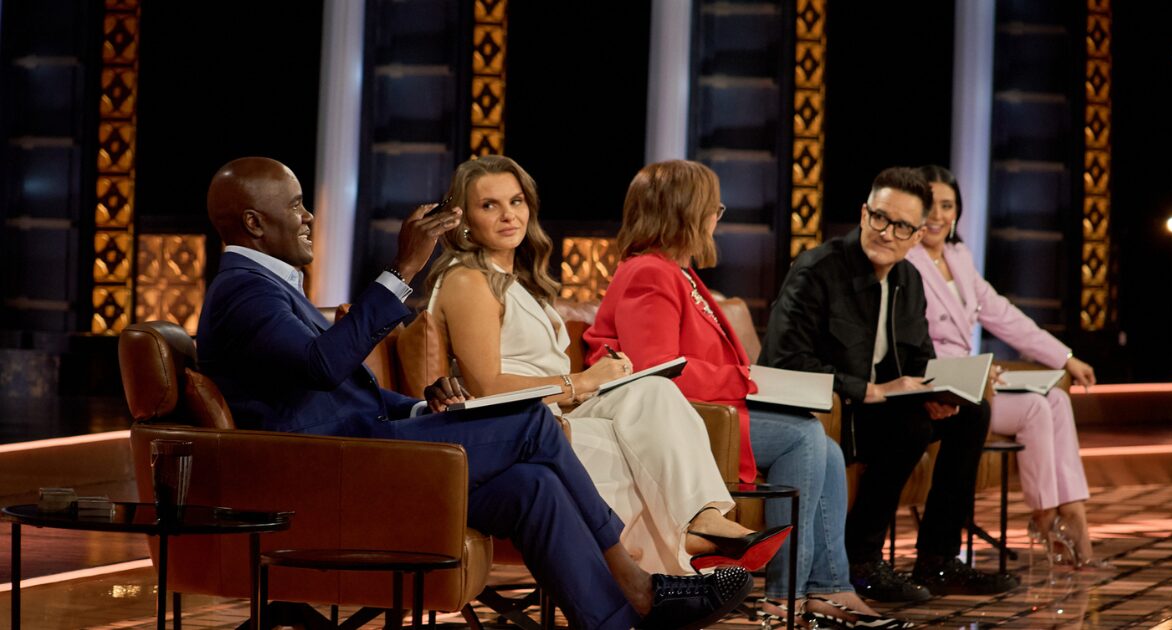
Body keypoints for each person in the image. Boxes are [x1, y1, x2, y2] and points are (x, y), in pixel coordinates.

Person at [194, 156, 753, 630]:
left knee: (531, 485)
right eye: (295, 205)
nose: (309, 215)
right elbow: (323, 366)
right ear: (253, 222)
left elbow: (334, 382)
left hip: (361, 452)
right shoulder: (244, 291)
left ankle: (614, 621)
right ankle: (636, 583)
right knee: (531, 423)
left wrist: (418, 405)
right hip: (338, 475)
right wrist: (403, 268)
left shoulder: (260, 288)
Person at [425, 155, 789, 577]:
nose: (509, 215)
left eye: (517, 201)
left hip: (555, 414)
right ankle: (678, 571)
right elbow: (487, 385)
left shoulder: (513, 279)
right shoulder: (467, 279)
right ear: (464, 218)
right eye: (489, 205)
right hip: (517, 430)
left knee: (653, 390)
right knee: (626, 450)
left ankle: (702, 520)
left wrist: (600, 381)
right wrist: (580, 381)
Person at [585, 159, 911, 630]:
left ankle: (828, 588)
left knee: (830, 449)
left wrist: (751, 380)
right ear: (685, 212)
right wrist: (747, 381)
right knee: (803, 435)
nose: (718, 216)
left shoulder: (679, 273)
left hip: (705, 410)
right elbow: (657, 371)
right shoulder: (648, 273)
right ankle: (786, 598)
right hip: (679, 421)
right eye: (712, 207)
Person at [759, 166, 1020, 601]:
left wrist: (937, 393)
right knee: (909, 428)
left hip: (879, 404)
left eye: (901, 226)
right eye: (880, 218)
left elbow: (917, 357)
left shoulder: (908, 280)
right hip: (825, 407)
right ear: (864, 214)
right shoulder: (817, 270)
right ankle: (860, 559)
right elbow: (787, 360)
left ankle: (938, 559)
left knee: (972, 413)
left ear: (917, 236)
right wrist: (866, 389)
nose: (886, 232)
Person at [908, 164, 1105, 569]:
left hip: (975, 385)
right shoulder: (906, 260)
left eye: (947, 205)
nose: (937, 215)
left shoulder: (958, 257)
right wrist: (974, 373)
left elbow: (1003, 315)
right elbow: (911, 341)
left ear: (957, 212)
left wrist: (1066, 358)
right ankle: (1044, 519)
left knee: (1056, 400)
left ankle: (1072, 517)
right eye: (928, 204)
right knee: (1036, 406)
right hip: (938, 384)